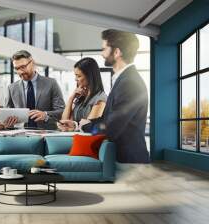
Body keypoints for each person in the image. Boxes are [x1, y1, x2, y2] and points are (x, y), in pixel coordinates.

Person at [82, 29, 150, 163]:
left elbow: (110, 127)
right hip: (125, 159)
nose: (102, 54)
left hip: (129, 162)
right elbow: (109, 117)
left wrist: (85, 127)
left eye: (104, 49)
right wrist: (79, 123)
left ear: (117, 52)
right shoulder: (123, 79)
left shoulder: (129, 83)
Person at [5, 50, 65, 130]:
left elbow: (61, 111)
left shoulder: (51, 83)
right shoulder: (11, 88)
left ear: (33, 63)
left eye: (23, 67)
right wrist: (8, 123)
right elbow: (7, 114)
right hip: (20, 135)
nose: (20, 72)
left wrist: (45, 115)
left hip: (47, 134)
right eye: (17, 68)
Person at [57, 57, 107, 131]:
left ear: (90, 77)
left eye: (79, 76)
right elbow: (64, 121)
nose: (75, 79)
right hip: (73, 137)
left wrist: (73, 125)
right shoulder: (80, 97)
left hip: (86, 140)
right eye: (75, 75)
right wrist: (71, 98)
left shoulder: (100, 98)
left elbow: (88, 126)